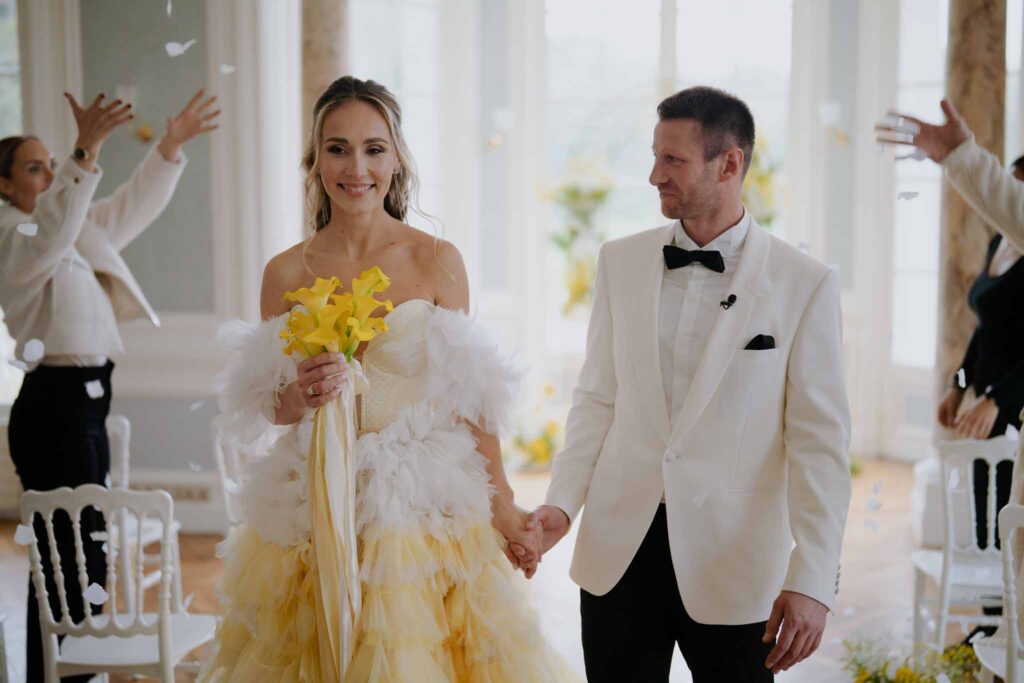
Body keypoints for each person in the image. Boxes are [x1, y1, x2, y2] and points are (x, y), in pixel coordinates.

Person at [200, 76, 579, 682]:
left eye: (374, 148)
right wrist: (299, 394)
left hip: (420, 498)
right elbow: (270, 405)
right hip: (315, 496)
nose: (357, 167)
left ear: (397, 159)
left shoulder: (435, 260)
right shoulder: (285, 272)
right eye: (338, 147)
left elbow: (471, 398)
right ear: (315, 160)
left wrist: (503, 507)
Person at [527, 86, 852, 681]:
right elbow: (596, 397)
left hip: (736, 566)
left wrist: (812, 579)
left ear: (728, 164)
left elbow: (819, 446)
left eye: (672, 160)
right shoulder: (618, 261)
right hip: (617, 555)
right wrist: (561, 503)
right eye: (654, 157)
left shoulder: (805, 283)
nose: (653, 175)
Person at [0, 89, 217, 682]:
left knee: (81, 554)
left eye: (53, 164)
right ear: (4, 186)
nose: (49, 174)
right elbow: (49, 232)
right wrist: (85, 149)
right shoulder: (14, 237)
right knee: (62, 559)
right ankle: (68, 674)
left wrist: (168, 149)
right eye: (34, 167)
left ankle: (76, 673)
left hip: (89, 402)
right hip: (54, 407)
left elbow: (126, 210)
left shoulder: (67, 230)